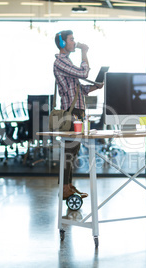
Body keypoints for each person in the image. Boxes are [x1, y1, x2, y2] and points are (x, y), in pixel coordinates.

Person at [53, 30, 103, 200]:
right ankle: (65, 188)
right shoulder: (60, 62)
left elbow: (79, 89)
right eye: (71, 40)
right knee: (69, 151)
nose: (74, 42)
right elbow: (84, 73)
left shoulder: (67, 63)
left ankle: (68, 186)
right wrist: (84, 52)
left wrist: (95, 87)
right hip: (71, 112)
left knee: (73, 151)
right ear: (62, 43)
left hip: (78, 111)